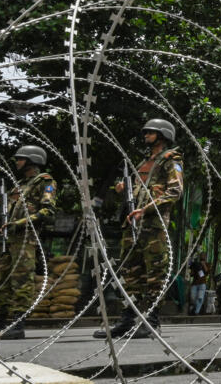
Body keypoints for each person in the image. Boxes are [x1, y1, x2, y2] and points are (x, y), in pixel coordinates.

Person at [95, 119, 183, 339]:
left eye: (150, 132)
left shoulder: (170, 159)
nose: (145, 135)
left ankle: (151, 320)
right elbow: (139, 190)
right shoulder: (144, 162)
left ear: (162, 135)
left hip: (153, 225)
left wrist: (146, 209)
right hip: (133, 223)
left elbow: (175, 191)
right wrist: (125, 188)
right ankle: (128, 319)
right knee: (130, 274)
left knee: (155, 274)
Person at [0, 146, 56, 339]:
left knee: (22, 280)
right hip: (10, 240)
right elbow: (10, 204)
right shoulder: (20, 185)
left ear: (32, 161)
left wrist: (18, 223)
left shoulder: (45, 182)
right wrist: (0, 202)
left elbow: (47, 211)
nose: (17, 162)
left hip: (26, 239)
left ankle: (17, 324)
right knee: (1, 280)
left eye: (20, 159)